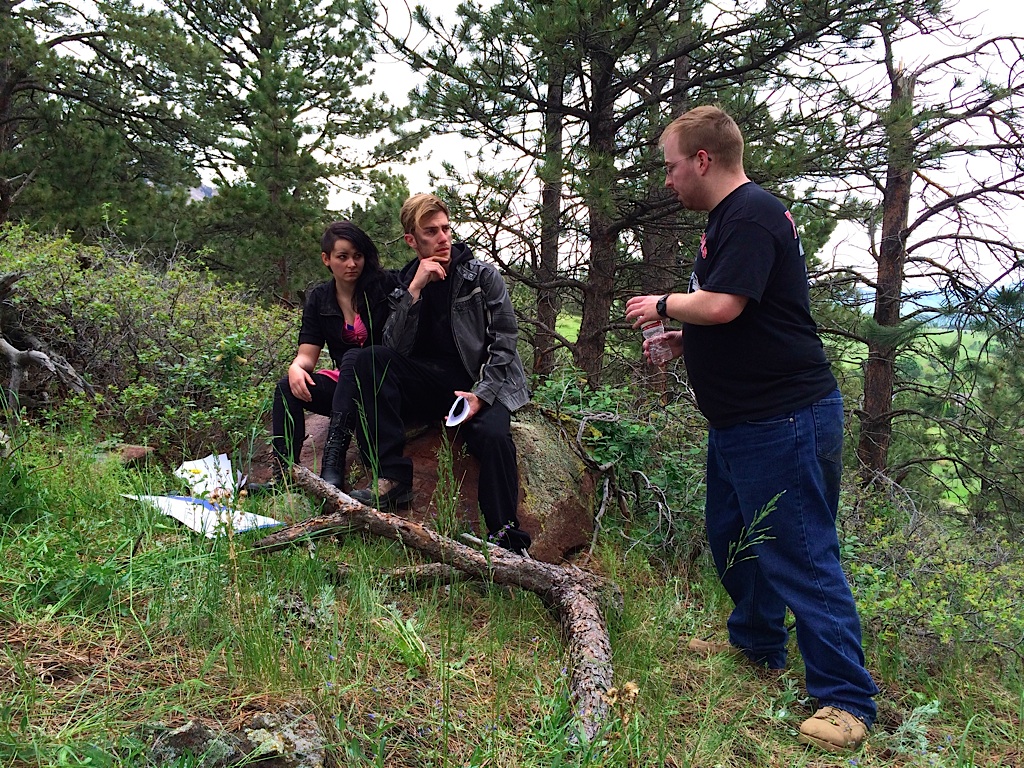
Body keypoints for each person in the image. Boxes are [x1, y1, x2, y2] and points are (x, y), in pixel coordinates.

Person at [624, 106, 878, 753]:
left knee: (799, 550)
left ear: (702, 160)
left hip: (783, 420)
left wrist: (660, 306)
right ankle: (759, 646)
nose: (668, 180)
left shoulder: (753, 212)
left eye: (671, 166)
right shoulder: (731, 220)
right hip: (745, 422)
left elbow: (725, 303)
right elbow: (742, 315)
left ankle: (845, 701)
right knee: (736, 539)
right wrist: (688, 339)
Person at [348, 193, 532, 555]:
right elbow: (393, 347)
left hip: (478, 382)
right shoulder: (404, 281)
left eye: (446, 228)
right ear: (411, 240)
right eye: (431, 231)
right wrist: (414, 290)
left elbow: (504, 341)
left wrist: (481, 395)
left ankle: (506, 542)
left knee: (494, 436)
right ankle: (394, 478)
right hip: (430, 383)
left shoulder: (480, 275)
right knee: (369, 359)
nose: (443, 237)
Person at [249, 221, 397, 493]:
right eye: (342, 257)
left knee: (355, 356)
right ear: (326, 259)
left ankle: (333, 463)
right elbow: (307, 355)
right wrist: (296, 369)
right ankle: (283, 477)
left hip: (382, 387)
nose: (352, 264)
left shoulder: (385, 286)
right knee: (286, 388)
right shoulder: (320, 298)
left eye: (358, 256)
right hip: (347, 390)